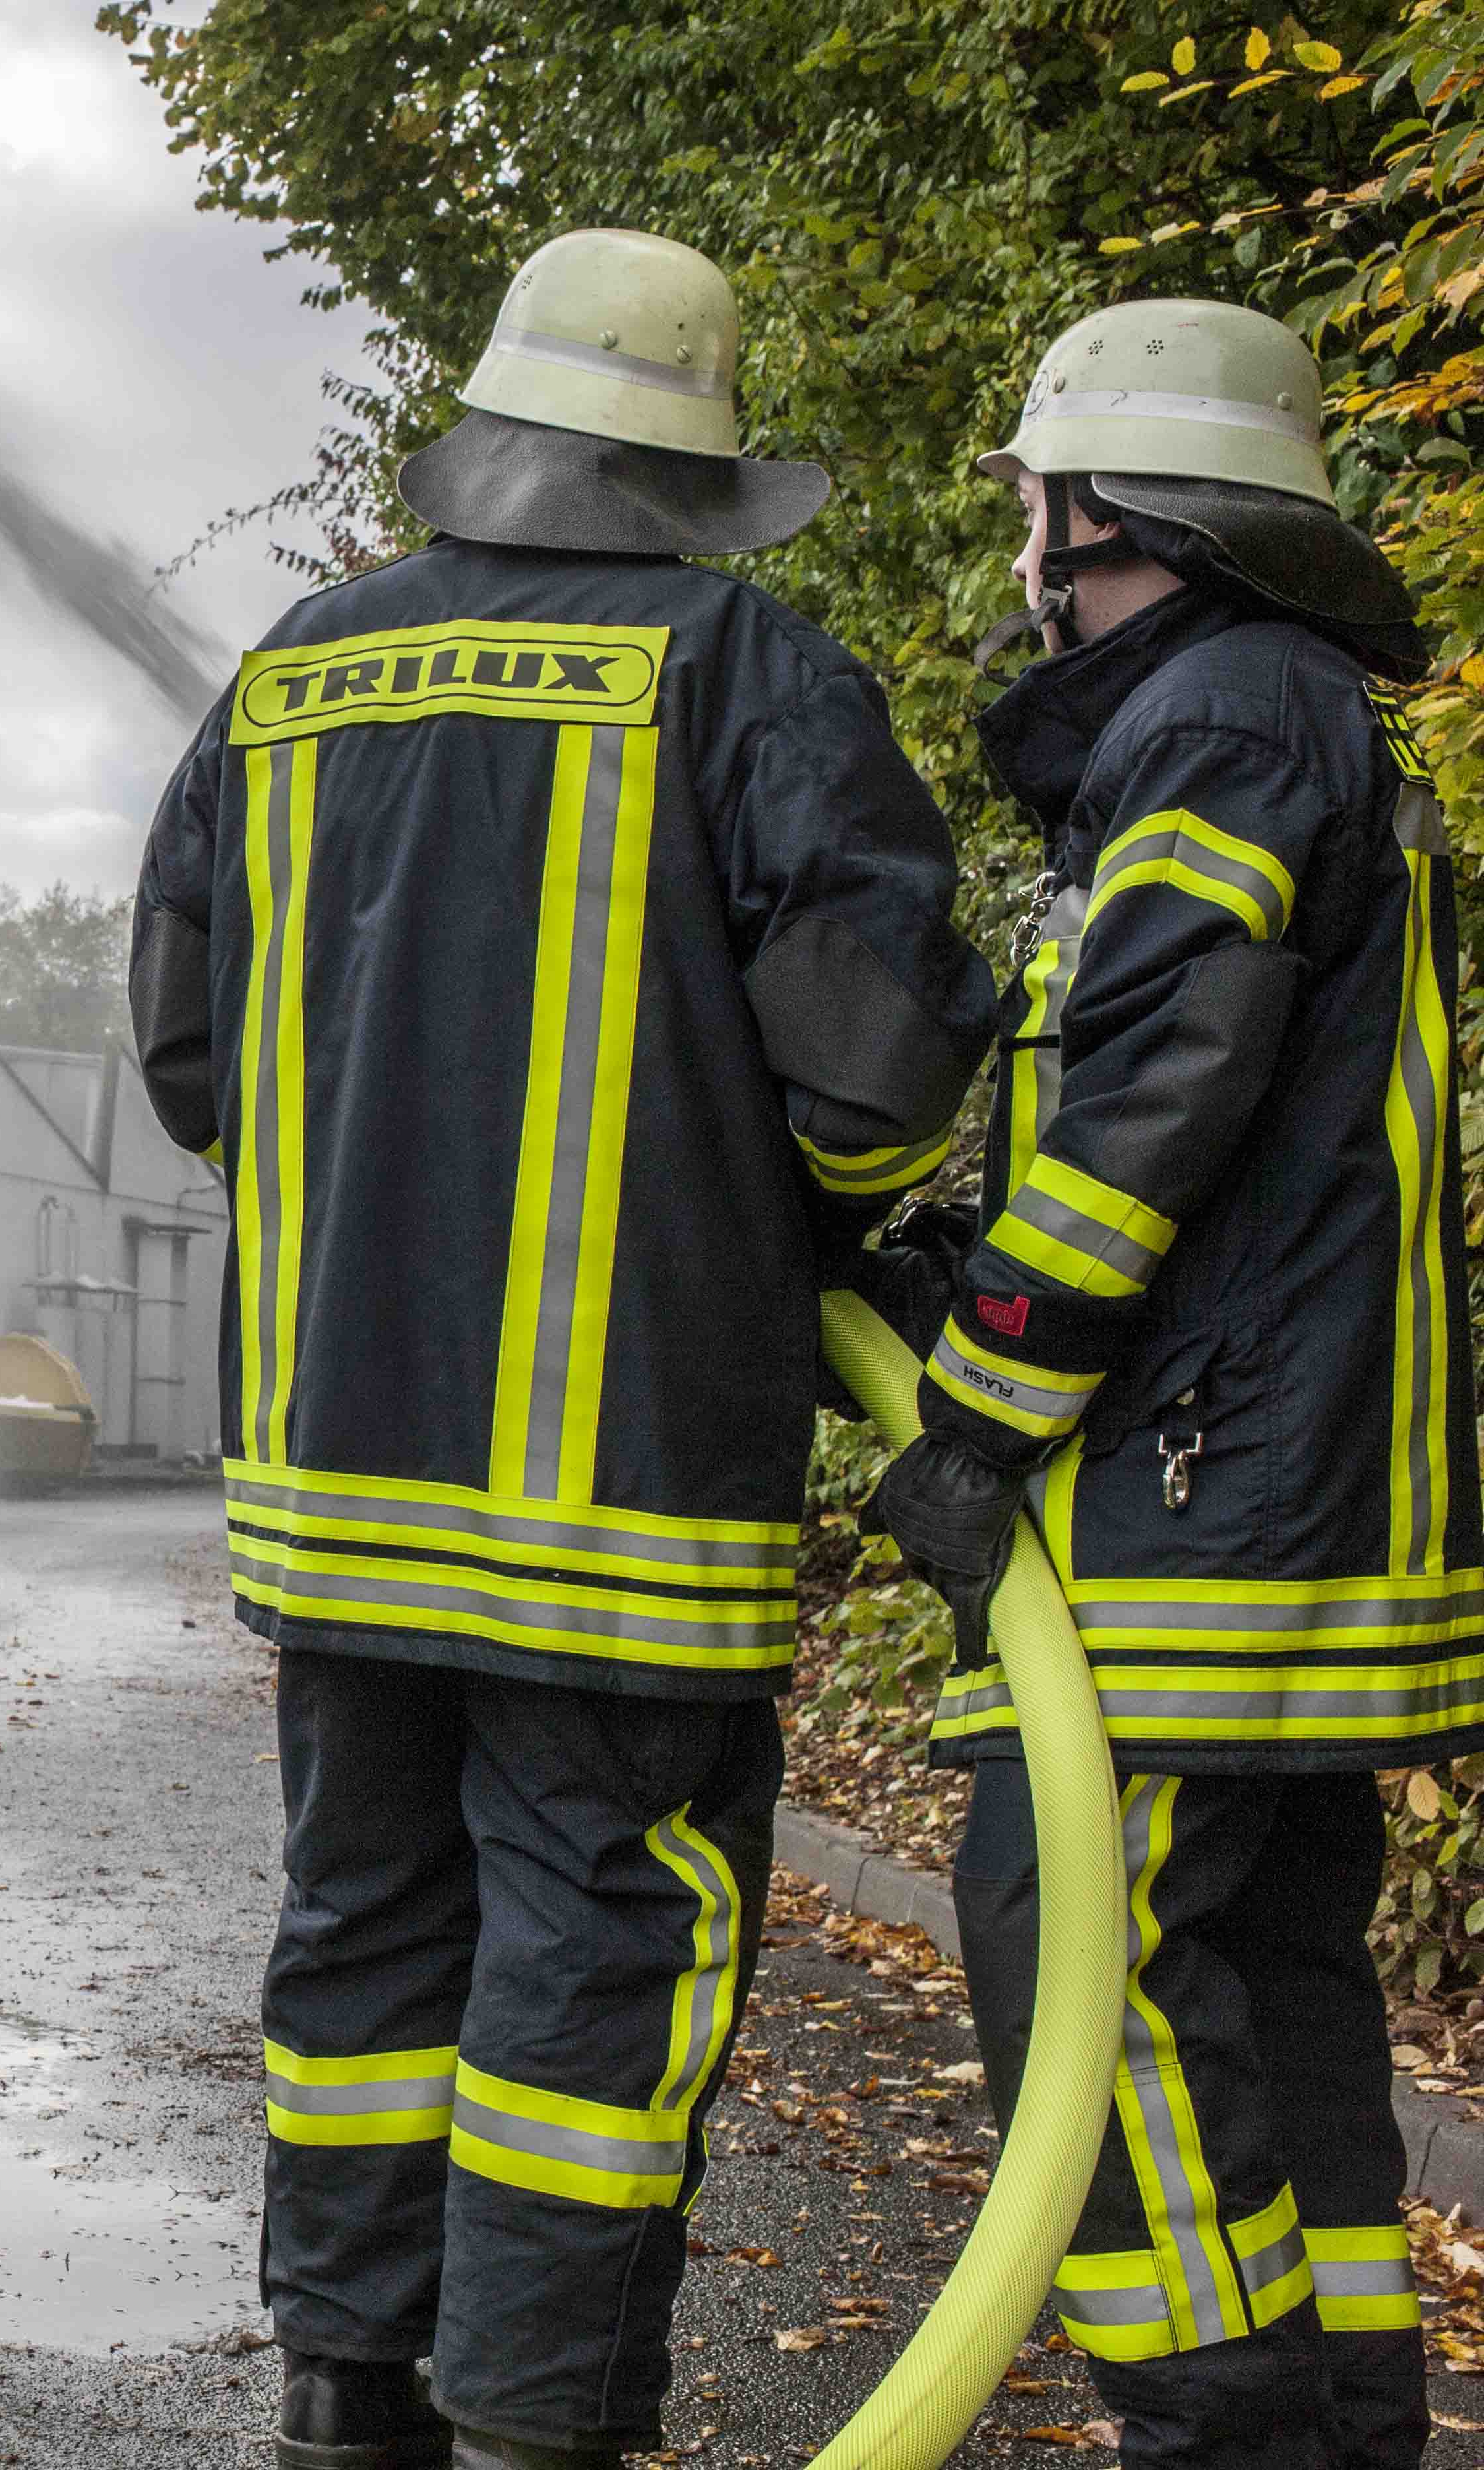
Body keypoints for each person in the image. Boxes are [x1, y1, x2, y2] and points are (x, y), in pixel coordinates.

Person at [129, 228, 994, 2469]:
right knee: (597, 1957)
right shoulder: (746, 674)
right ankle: (536, 2432)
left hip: (338, 1486)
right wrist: (792, 1225)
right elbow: (883, 1066)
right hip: (618, 1482)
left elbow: (192, 1059)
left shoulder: (288, 680)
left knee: (364, 1936)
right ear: (689, 474)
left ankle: (345, 2403)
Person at [870, 297, 1455, 2470]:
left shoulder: (1219, 719)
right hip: (1287, 1492)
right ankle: (1352, 2424)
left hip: (1190, 1503)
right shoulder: (1278, 715)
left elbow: (1160, 1098)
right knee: (1278, 2001)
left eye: (1036, 491)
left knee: (1099, 1994)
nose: (1022, 531)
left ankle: (1225, 2443)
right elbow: (1195, 1096)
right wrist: (952, 1250)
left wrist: (989, 1399)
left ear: (1108, 504)